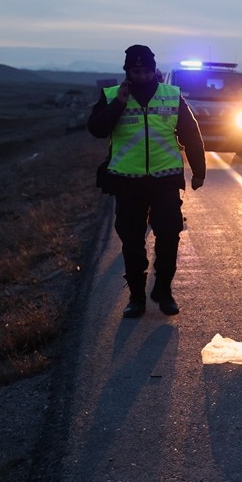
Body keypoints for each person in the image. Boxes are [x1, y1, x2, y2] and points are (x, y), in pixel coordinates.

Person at [88, 44, 206, 317]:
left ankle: (163, 291)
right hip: (127, 183)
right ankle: (136, 298)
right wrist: (118, 102)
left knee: (169, 236)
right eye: (135, 70)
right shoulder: (112, 97)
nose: (141, 75)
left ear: (154, 70)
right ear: (128, 71)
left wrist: (199, 171)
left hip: (165, 180)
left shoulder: (171, 96)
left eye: (145, 70)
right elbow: (96, 129)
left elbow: (191, 135)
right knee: (131, 242)